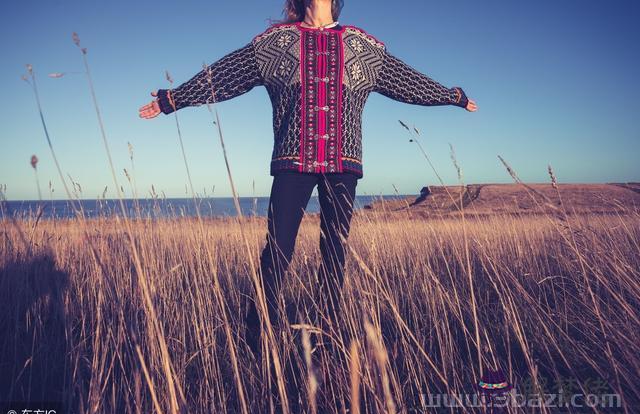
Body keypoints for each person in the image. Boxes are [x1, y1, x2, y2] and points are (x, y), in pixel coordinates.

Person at [138, 0, 477, 357]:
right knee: (277, 251)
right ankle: (257, 339)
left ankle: (326, 337)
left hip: (343, 164)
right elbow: (224, 75)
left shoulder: (363, 47)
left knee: (334, 253)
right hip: (292, 161)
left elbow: (408, 82)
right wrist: (173, 99)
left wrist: (452, 96)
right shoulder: (276, 43)